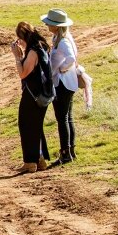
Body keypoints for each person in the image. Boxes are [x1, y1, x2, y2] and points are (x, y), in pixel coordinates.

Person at [12, 21, 53, 173]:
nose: (19, 43)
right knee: (36, 126)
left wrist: (17, 57)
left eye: (19, 39)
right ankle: (40, 159)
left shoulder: (34, 51)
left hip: (33, 95)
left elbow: (23, 73)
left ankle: (30, 161)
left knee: (25, 124)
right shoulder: (41, 46)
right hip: (43, 94)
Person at [43, 9, 79, 166]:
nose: (46, 25)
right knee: (67, 117)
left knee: (62, 118)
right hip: (67, 83)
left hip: (63, 84)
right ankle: (70, 151)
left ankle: (65, 153)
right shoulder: (60, 37)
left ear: (56, 26)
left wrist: (62, 69)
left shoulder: (63, 41)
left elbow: (71, 58)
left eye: (49, 23)